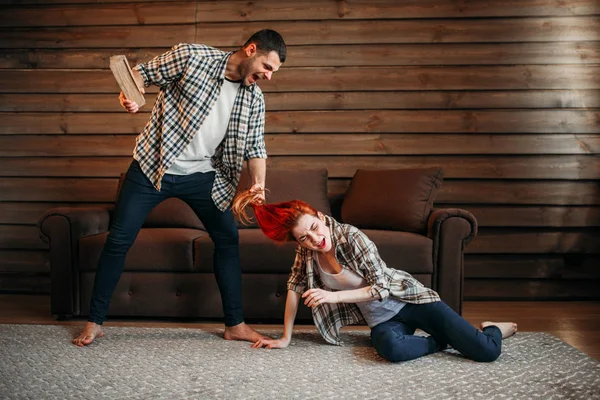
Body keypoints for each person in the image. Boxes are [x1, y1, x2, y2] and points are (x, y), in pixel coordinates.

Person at [72, 29, 287, 347]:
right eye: (267, 67)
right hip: (152, 167)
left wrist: (258, 185)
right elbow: (140, 74)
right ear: (251, 49)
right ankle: (94, 323)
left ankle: (235, 325)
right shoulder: (192, 57)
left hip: (203, 176)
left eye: (273, 72)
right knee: (119, 240)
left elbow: (256, 147)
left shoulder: (253, 98)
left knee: (227, 239)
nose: (268, 76)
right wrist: (129, 93)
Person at [231, 190, 517, 362]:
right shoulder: (306, 253)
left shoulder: (350, 235)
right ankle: (441, 340)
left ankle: (490, 328)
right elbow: (294, 287)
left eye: (316, 227)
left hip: (411, 300)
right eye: (305, 238)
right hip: (382, 320)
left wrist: (332, 296)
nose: (316, 239)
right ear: (298, 242)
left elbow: (381, 287)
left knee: (486, 351)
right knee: (392, 350)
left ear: (320, 215)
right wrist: (285, 338)